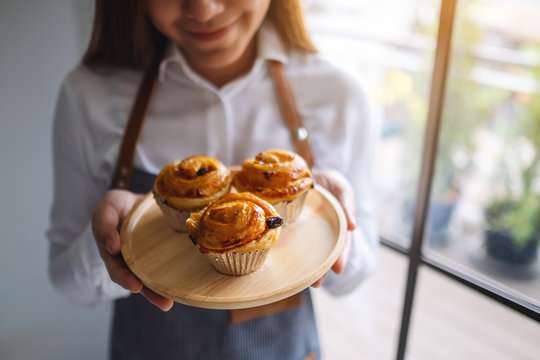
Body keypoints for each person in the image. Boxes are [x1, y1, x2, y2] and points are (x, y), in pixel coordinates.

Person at [47, 0, 379, 359]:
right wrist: (114, 244)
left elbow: (356, 275)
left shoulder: (338, 94)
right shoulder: (91, 95)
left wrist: (338, 226)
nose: (204, 10)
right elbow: (69, 284)